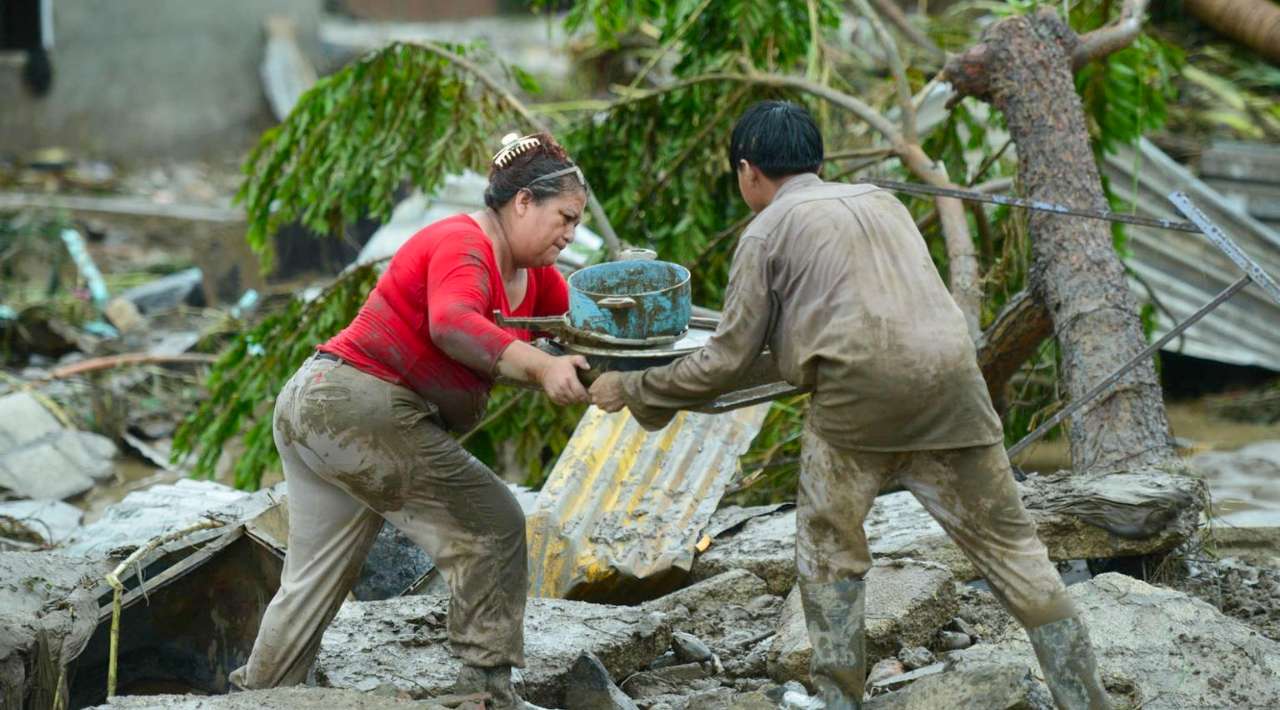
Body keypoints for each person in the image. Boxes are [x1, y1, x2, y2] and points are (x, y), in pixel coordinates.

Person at [589, 102, 1111, 710]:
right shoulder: (884, 202)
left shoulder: (765, 231)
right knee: (1015, 553)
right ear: (818, 160)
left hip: (857, 401)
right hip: (954, 385)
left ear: (748, 171)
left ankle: (839, 699)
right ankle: (1085, 700)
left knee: (828, 549)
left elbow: (726, 361)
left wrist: (632, 389)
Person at [229, 132, 591, 710]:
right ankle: (487, 691)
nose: (570, 233)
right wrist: (543, 368)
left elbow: (585, 330)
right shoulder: (462, 242)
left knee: (313, 580)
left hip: (319, 407)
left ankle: (260, 696)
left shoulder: (537, 275)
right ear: (523, 202)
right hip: (350, 405)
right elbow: (453, 322)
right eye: (565, 218)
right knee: (492, 523)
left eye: (577, 222)